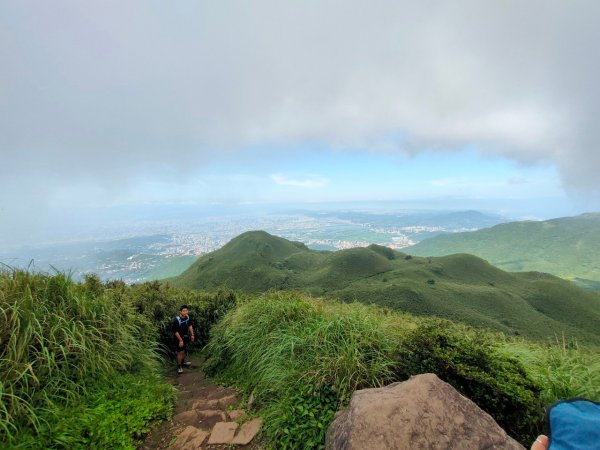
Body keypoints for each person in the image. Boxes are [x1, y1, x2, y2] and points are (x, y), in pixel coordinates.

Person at [172, 304, 195, 374]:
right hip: (178, 338)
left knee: (184, 350)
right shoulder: (176, 320)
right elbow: (175, 331)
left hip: (185, 336)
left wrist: (192, 335)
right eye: (184, 311)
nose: (185, 312)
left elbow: (190, 326)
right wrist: (180, 340)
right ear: (180, 312)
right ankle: (179, 366)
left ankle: (183, 362)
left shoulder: (188, 317)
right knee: (180, 352)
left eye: (186, 311)